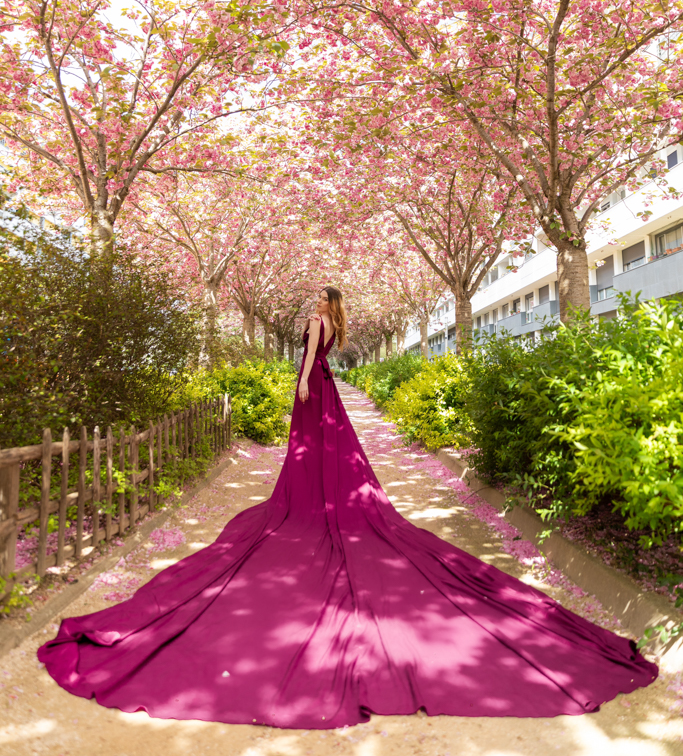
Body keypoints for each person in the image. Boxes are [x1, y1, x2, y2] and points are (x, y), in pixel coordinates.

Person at [38, 286, 657, 729]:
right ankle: (325, 497)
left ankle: (316, 503)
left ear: (321, 304)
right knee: (328, 456)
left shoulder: (313, 322)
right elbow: (323, 353)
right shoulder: (338, 323)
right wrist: (317, 378)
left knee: (311, 457)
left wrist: (302, 382)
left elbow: (308, 360)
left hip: (318, 391)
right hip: (331, 393)